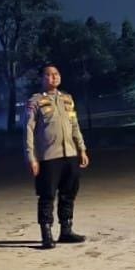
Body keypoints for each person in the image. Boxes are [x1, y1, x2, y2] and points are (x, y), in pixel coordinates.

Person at [23, 63, 91, 249]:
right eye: (49, 74)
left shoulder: (67, 99)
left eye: (56, 74)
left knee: (68, 193)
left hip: (70, 154)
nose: (53, 77)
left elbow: (74, 125)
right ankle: (46, 234)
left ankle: (66, 230)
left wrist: (82, 149)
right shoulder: (35, 101)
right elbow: (28, 130)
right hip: (48, 157)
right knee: (47, 196)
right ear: (42, 79)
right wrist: (31, 157)